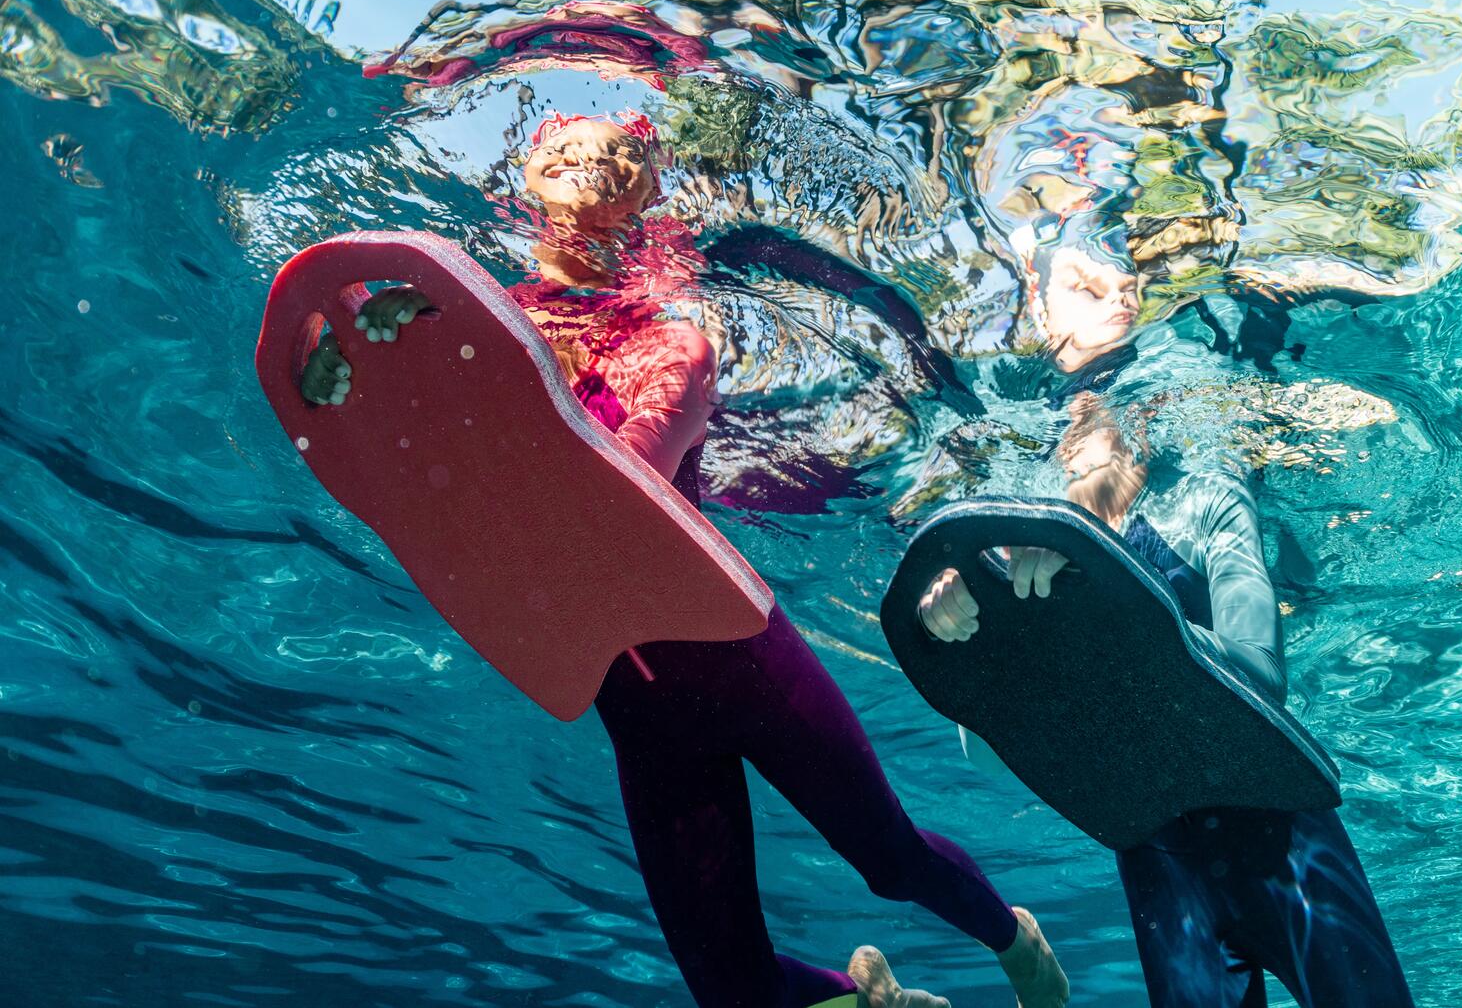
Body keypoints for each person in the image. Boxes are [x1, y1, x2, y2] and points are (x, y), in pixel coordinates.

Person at [299, 110, 1069, 1008]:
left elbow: (620, 486)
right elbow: (405, 456)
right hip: (639, 707)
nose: (582, 162)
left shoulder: (667, 346)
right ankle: (873, 1003)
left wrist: (429, 357)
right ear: (525, 186)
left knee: (890, 860)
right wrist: (353, 372)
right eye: (559, 150)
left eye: (610, 155)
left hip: (738, 653)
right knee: (727, 987)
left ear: (645, 195)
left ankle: (1018, 944)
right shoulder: (460, 327)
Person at [914, 211, 1414, 1008]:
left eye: (1129, 291)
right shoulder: (1024, 546)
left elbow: (1258, 679)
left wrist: (1089, 570)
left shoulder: (1208, 496)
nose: (1083, 429)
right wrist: (973, 639)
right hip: (1161, 868)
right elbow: (988, 746)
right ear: (1042, 308)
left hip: (1283, 835)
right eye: (1086, 286)